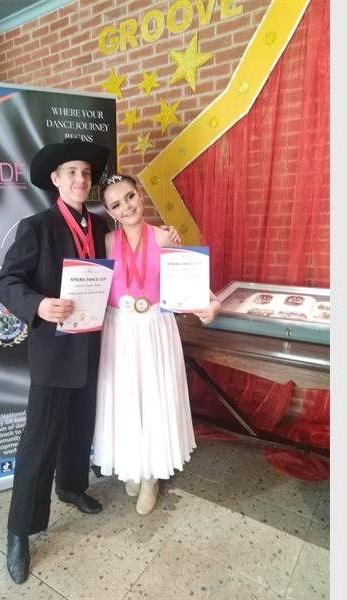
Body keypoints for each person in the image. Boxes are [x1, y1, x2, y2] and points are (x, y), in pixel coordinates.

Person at [0, 138, 111, 584]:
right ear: (56, 180)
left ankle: (72, 487)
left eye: (86, 173)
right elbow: (7, 282)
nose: (81, 179)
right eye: (72, 173)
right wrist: (39, 305)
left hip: (92, 343)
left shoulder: (100, 225)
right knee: (39, 440)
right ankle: (19, 530)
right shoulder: (36, 227)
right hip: (53, 348)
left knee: (80, 426)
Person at [92, 173, 222, 516]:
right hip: (118, 331)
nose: (126, 207)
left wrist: (212, 306)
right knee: (125, 399)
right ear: (109, 212)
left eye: (130, 197)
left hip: (155, 329)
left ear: (140, 195)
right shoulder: (104, 243)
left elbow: (196, 286)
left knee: (153, 397)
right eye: (116, 204)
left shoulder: (165, 237)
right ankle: (131, 466)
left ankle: (150, 475)